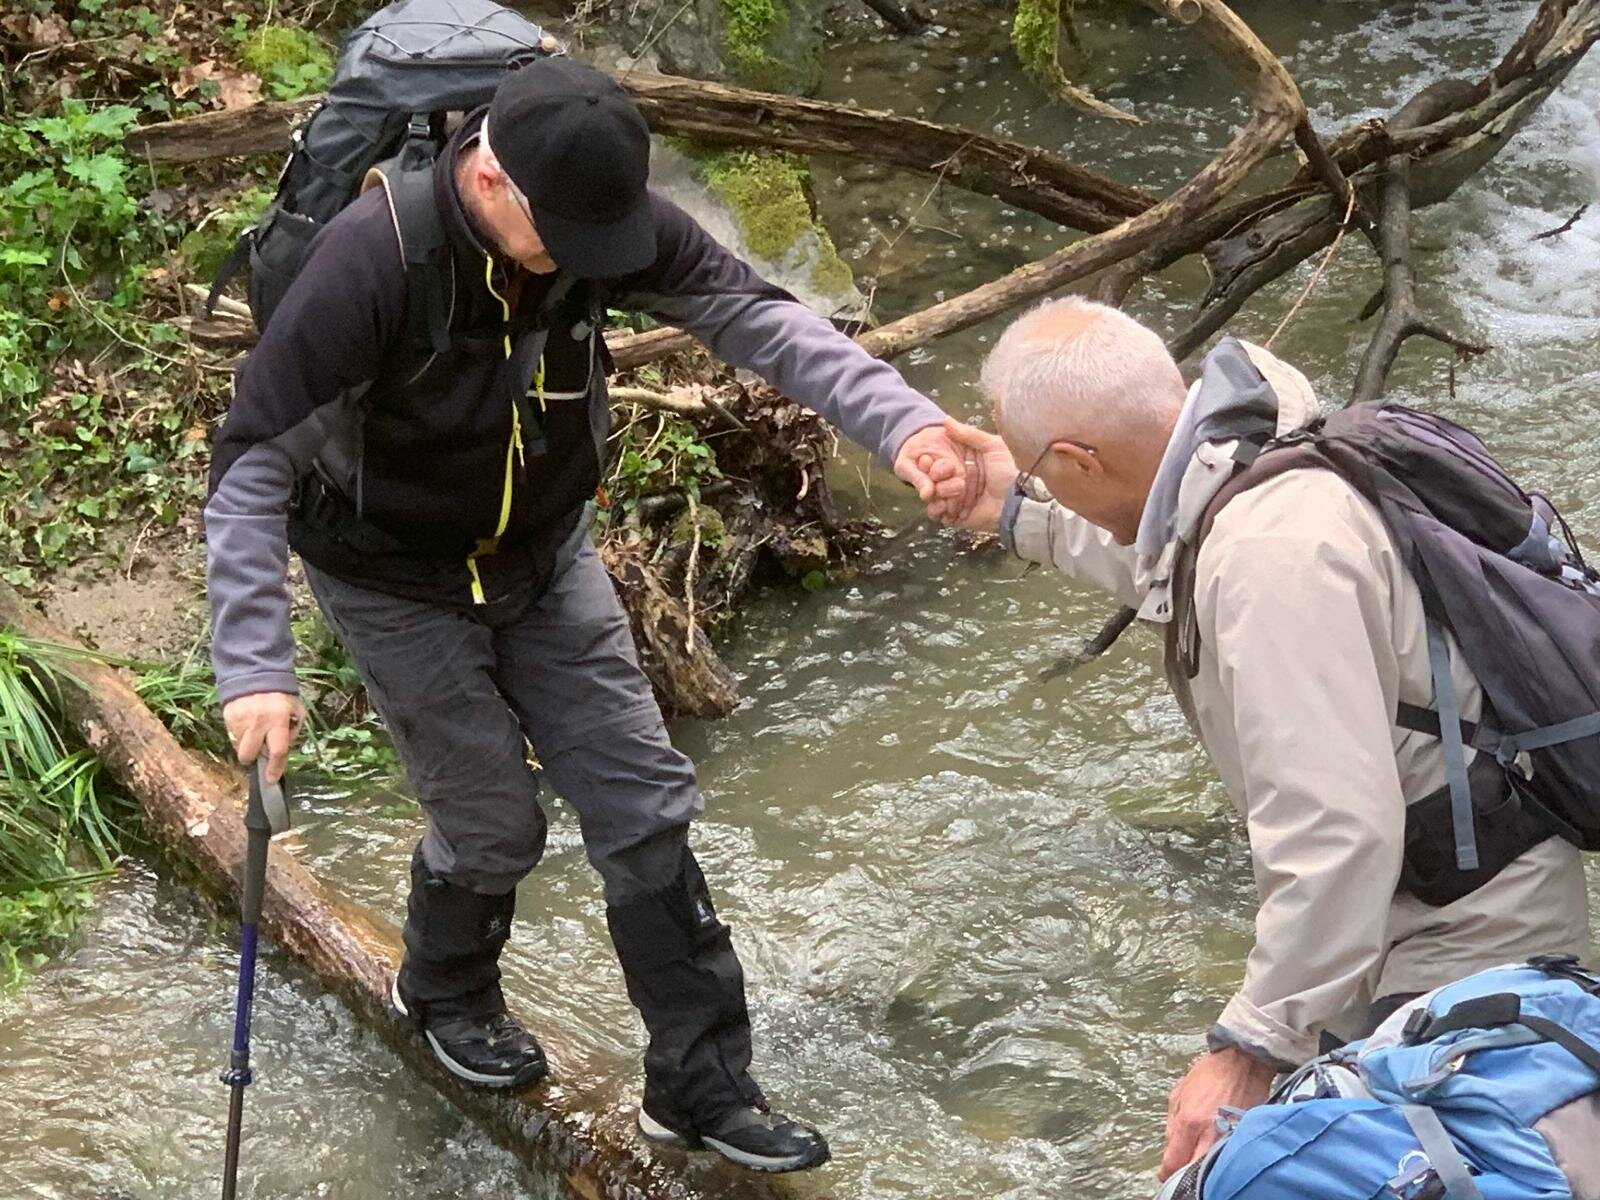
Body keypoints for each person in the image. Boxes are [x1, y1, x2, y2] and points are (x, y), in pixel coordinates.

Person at [205, 56, 976, 1173]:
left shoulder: (595, 217)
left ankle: (700, 1088)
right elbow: (249, 462)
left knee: (645, 808)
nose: (588, 260)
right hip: (392, 576)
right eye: (563, 234)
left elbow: (760, 320)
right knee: (493, 826)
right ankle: (446, 989)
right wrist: (254, 665)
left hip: (543, 552)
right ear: (489, 181)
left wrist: (903, 427)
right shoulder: (372, 262)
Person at [932, 297, 1591, 1181]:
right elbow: (1162, 555)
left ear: (1079, 457)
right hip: (1413, 904)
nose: (1045, 489)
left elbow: (1337, 834)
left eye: (1044, 478)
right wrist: (1016, 509)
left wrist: (1249, 1046)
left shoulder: (1270, 555)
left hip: (1464, 929)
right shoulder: (1254, 450)